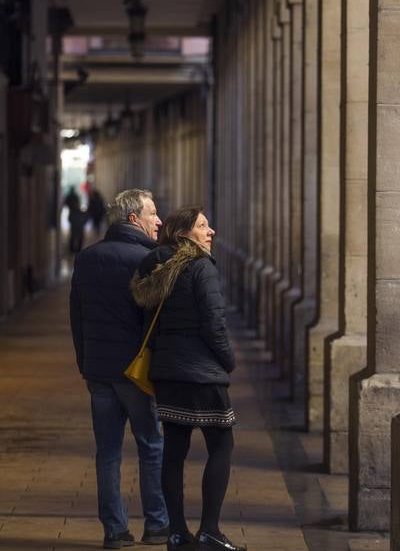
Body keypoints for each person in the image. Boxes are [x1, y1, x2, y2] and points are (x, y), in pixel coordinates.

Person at [131, 208, 245, 551]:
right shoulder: (200, 267)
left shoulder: (153, 268)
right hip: (202, 373)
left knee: (174, 452)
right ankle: (209, 529)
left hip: (167, 372)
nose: (211, 231)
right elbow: (214, 323)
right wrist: (228, 361)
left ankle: (178, 533)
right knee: (222, 446)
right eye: (202, 225)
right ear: (183, 233)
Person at [70, 189, 169, 550]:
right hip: (135, 374)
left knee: (108, 452)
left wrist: (85, 363)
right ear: (134, 219)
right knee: (152, 446)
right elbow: (155, 322)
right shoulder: (149, 259)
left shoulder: (86, 258)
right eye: (152, 213)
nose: (158, 220)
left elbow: (76, 318)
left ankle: (115, 530)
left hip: (98, 372)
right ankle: (157, 524)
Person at [63, 185, 85, 255]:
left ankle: (72, 249)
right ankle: (77, 249)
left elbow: (65, 203)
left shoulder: (70, 196)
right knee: (78, 235)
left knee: (73, 235)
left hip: (73, 219)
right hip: (77, 221)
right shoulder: (75, 196)